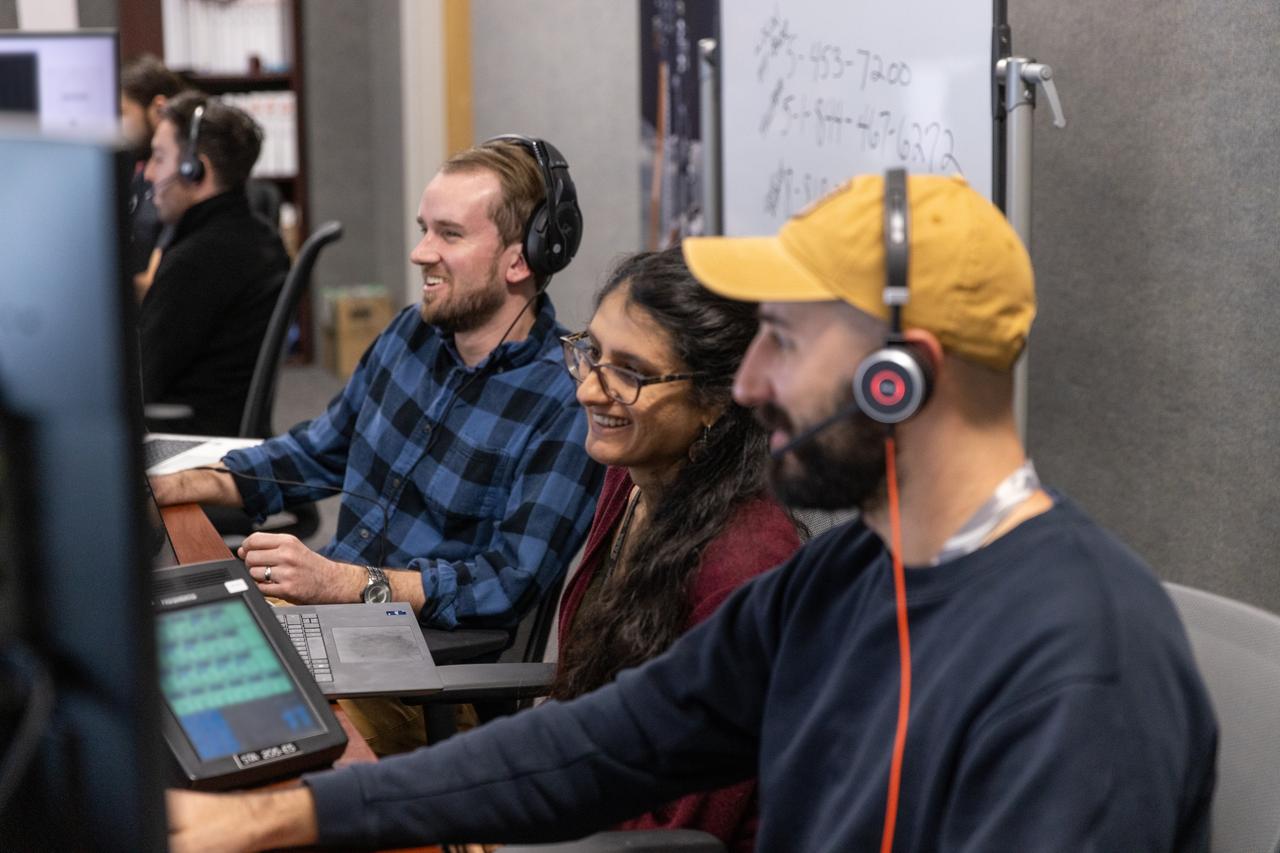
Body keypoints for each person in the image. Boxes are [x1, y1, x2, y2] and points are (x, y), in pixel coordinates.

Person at [166, 173, 1216, 852]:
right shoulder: (842, 580)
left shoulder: (1081, 658)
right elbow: (605, 741)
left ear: (902, 376)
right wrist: (285, 814)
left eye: (786, 342)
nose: (749, 385)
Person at [151, 138, 603, 640]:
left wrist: (343, 582)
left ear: (521, 260)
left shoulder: (566, 400)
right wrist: (174, 483)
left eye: (448, 235)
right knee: (157, 643)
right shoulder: (412, 334)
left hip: (418, 664)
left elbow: (507, 582)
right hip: (330, 616)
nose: (419, 253)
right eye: (423, 230)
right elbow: (317, 452)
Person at [552, 247, 801, 849]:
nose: (589, 389)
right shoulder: (633, 474)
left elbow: (679, 824)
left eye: (630, 373)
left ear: (719, 399)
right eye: (592, 354)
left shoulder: (745, 564)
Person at [138, 92, 289, 435]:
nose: (148, 173)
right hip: (224, 433)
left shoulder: (196, 261)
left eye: (159, 159)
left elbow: (137, 386)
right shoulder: (259, 235)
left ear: (195, 170)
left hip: (187, 445)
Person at [120, 54, 189, 281]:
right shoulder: (136, 172)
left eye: (122, 113)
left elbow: (153, 284)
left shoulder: (184, 181)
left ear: (159, 108)